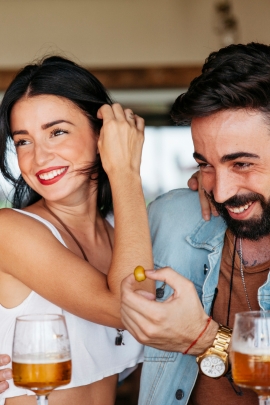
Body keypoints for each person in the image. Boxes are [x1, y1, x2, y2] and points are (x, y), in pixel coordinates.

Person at [121, 42, 270, 405]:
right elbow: (110, 347)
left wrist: (206, 340)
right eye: (206, 164)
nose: (219, 192)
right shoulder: (170, 218)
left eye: (241, 164)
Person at [0, 56, 154, 405]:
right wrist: (126, 172)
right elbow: (128, 309)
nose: (39, 157)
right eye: (23, 141)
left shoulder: (122, 235)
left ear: (102, 135)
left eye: (57, 132)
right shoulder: (11, 230)